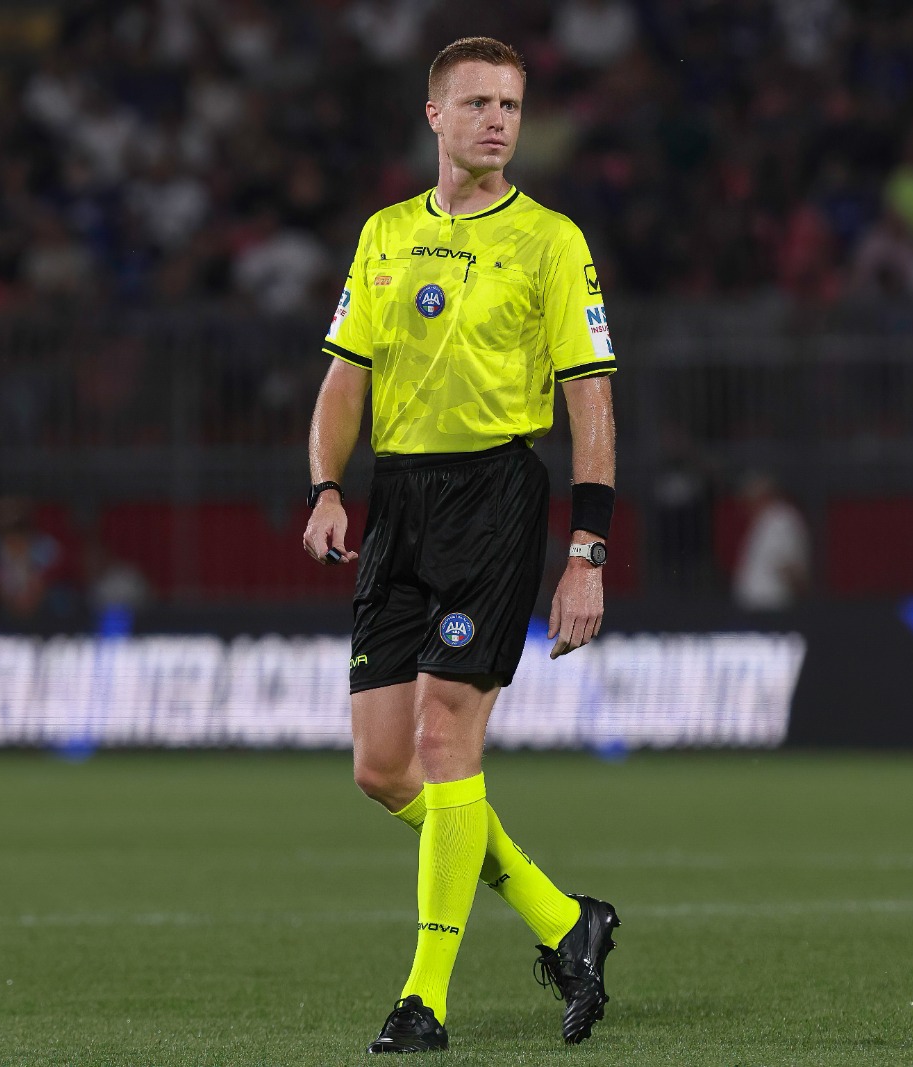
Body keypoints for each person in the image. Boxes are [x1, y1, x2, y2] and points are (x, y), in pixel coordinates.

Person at [301, 37, 621, 1054]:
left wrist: (586, 551)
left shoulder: (551, 241)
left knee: (446, 739)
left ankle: (422, 1000)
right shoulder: (385, 233)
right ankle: (564, 920)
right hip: (398, 499)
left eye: (511, 106)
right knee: (383, 766)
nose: (497, 121)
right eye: (478, 103)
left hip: (493, 493)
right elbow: (345, 377)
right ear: (434, 115)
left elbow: (591, 400)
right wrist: (325, 486)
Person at [732, 475, 810, 612]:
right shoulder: (763, 521)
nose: (746, 506)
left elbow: (791, 567)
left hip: (771, 606)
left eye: (749, 500)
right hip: (754, 606)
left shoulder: (781, 519)